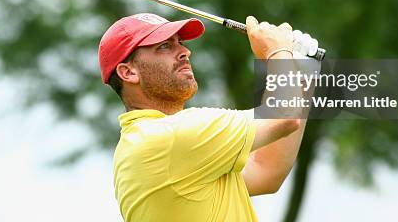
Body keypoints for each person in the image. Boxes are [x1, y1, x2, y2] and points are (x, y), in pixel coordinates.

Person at [98, 12, 314, 221]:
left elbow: (266, 172)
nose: (184, 51)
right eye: (164, 46)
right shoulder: (166, 138)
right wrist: (277, 53)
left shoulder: (175, 149)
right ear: (128, 72)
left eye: (180, 41)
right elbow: (284, 116)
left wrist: (300, 71)